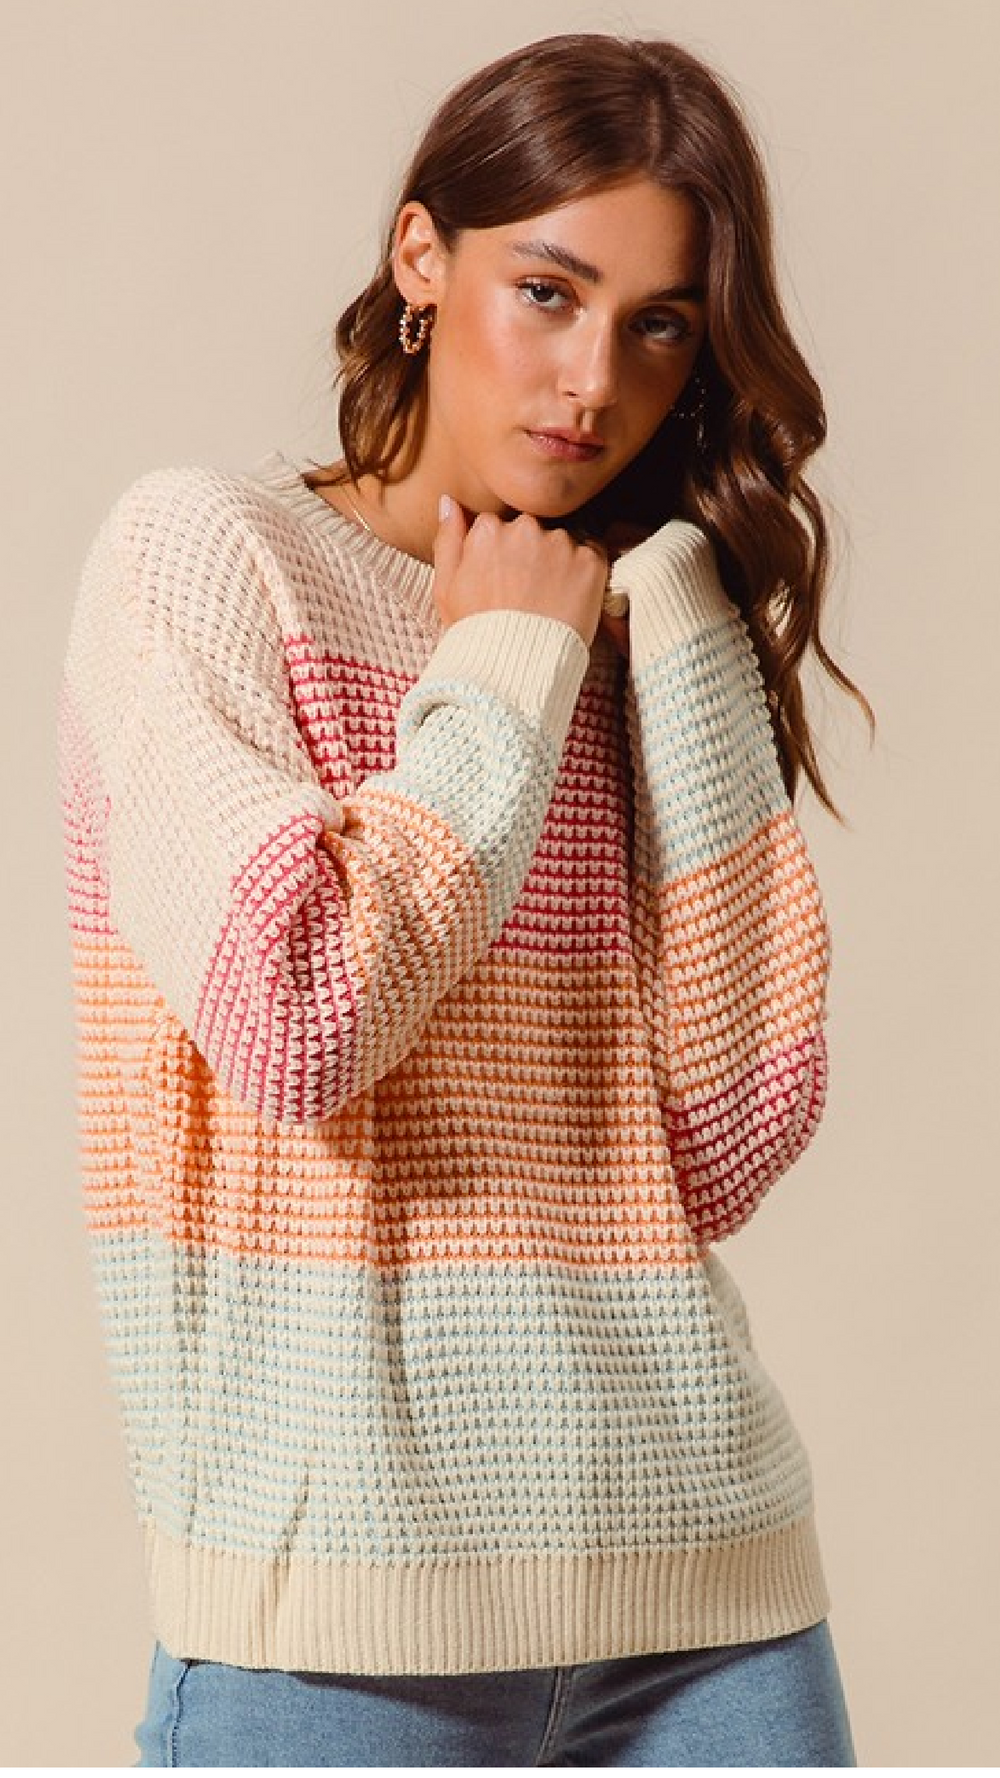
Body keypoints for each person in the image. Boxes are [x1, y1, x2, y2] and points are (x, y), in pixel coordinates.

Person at [58, 31, 866, 1768]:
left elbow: (729, 1134)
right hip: (332, 1636)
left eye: (659, 325)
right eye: (548, 291)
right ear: (422, 258)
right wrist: (501, 668)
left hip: (710, 1602)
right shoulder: (206, 557)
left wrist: (682, 621)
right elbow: (298, 1016)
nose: (592, 380)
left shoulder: (644, 621)